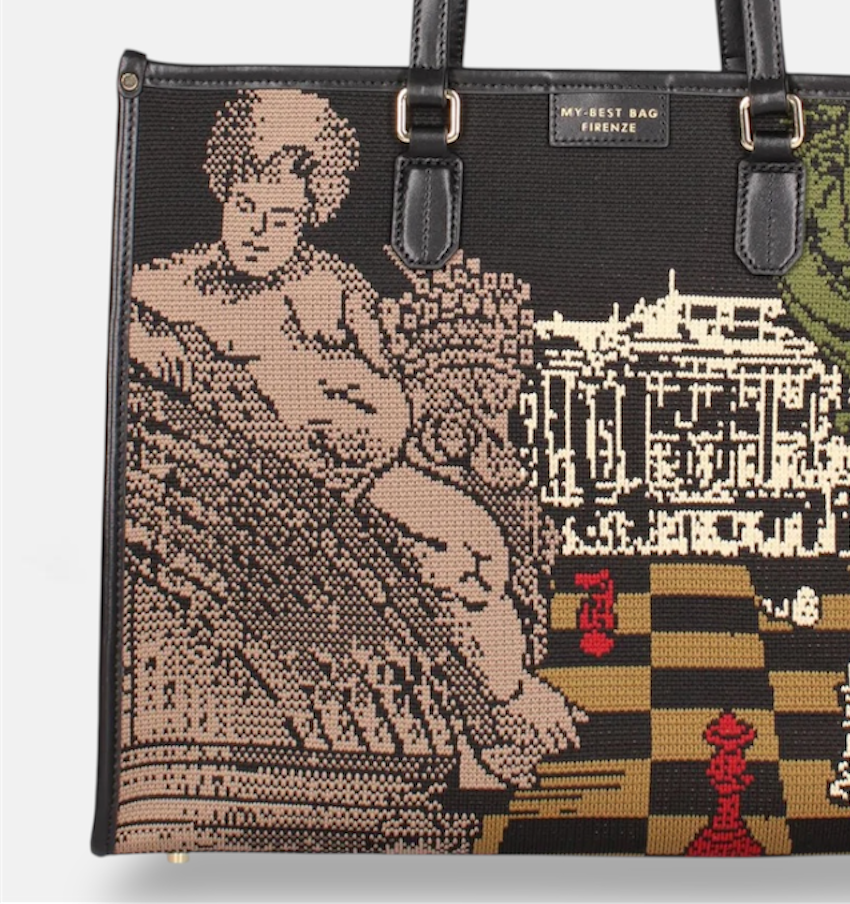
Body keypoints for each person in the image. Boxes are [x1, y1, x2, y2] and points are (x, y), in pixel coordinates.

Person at [130, 88, 580, 789]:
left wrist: (393, 416)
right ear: (222, 191)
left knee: (478, 542)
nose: (257, 230)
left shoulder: (330, 283)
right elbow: (128, 318)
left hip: (376, 472)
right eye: (245, 207)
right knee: (451, 553)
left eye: (281, 218)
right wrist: (155, 345)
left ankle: (505, 692)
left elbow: (388, 374)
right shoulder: (176, 285)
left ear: (310, 216)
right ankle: (497, 715)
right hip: (291, 481)